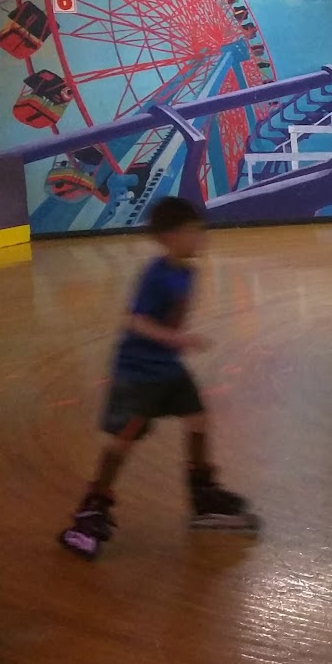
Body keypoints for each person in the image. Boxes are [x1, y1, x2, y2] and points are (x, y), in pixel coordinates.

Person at [61, 197, 253, 560]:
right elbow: (135, 321)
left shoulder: (188, 271)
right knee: (124, 440)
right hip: (139, 371)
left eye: (199, 230)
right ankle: (93, 507)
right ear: (169, 237)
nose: (200, 238)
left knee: (198, 419)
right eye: (192, 232)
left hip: (167, 366)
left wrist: (174, 344)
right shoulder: (156, 274)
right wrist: (176, 339)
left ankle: (202, 493)